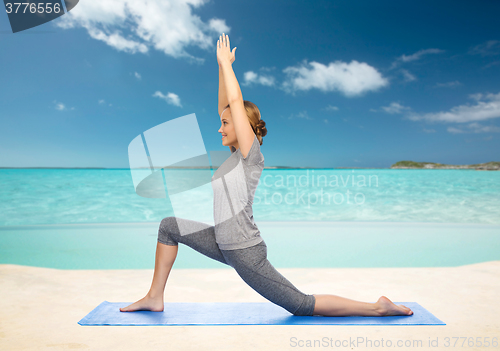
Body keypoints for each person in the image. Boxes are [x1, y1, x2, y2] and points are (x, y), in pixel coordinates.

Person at [120, 33, 413, 317]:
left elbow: (235, 104)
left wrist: (226, 65)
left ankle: (377, 307)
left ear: (241, 126)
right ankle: (154, 297)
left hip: (246, 252)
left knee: (301, 305)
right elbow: (227, 105)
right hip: (223, 243)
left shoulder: (251, 156)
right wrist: (222, 69)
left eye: (225, 123)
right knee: (169, 226)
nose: (220, 128)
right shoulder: (234, 157)